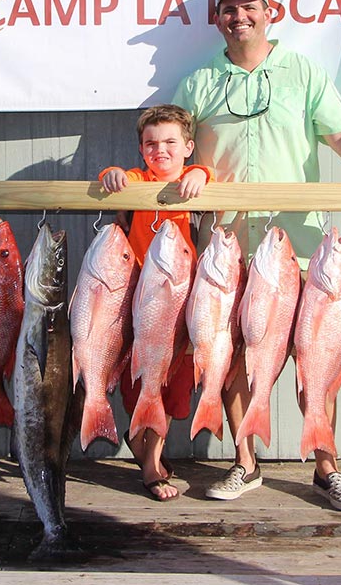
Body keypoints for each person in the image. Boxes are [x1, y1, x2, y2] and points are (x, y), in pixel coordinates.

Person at [171, 0, 341, 511]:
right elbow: (174, 149)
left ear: (270, 12)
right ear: (217, 19)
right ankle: (245, 463)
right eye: (228, 9)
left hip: (304, 248)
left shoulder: (304, 73)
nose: (238, 16)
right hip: (228, 250)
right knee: (235, 356)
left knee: (319, 355)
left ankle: (327, 467)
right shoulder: (196, 83)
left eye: (249, 6)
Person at [99, 104, 213, 501]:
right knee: (140, 381)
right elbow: (112, 178)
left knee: (171, 382)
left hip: (180, 306)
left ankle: (149, 452)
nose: (159, 150)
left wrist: (198, 172)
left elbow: (208, 174)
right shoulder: (137, 179)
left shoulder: (195, 180)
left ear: (188, 147)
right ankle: (149, 464)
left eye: (169, 142)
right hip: (139, 303)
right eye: (150, 143)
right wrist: (112, 175)